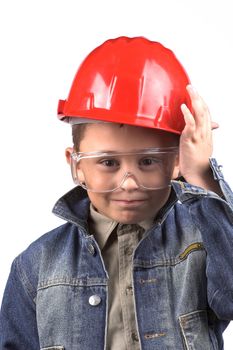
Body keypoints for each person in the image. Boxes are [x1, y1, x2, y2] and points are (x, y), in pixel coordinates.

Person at [0, 36, 233, 350]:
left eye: (148, 161)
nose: (128, 183)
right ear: (77, 165)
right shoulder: (36, 266)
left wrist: (202, 176)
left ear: (176, 160)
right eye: (108, 162)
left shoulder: (203, 243)